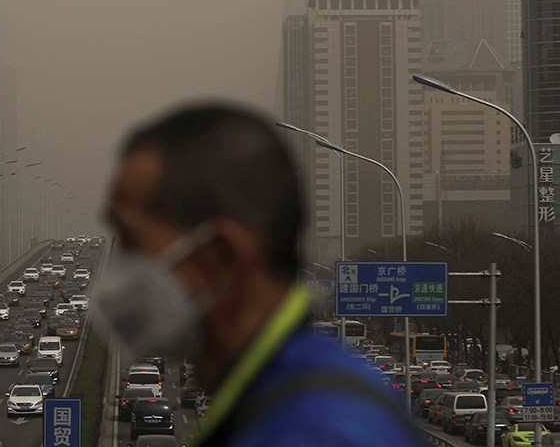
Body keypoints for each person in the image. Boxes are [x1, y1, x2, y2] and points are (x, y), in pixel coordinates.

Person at [93, 103, 424, 446]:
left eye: (131, 242)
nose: (118, 269)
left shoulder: (315, 431)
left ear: (221, 257)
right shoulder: (270, 399)